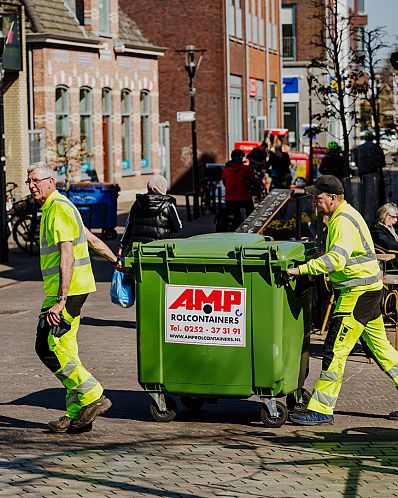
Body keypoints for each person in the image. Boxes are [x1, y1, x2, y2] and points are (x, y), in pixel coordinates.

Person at [287, 175, 398, 425]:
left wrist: (300, 270)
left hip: (356, 295)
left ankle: (321, 410)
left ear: (333, 198)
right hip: (369, 291)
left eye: (319, 197)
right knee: (383, 351)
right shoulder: (347, 214)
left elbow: (335, 260)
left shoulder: (342, 222)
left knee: (335, 350)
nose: (315, 202)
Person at [27, 162, 118, 433]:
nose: (32, 186)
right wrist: (115, 260)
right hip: (74, 290)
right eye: (28, 182)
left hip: (67, 292)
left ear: (50, 181)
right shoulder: (65, 206)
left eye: (36, 181)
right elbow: (89, 238)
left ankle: (93, 395)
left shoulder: (57, 209)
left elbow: (67, 253)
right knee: (66, 348)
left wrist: (61, 299)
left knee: (47, 346)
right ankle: (76, 413)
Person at [118, 174, 182, 256]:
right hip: (160, 252)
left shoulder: (137, 203)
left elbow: (128, 226)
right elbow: (177, 227)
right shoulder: (169, 205)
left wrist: (122, 246)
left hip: (137, 252)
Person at [222, 149, 256, 220]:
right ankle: (249, 224)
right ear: (241, 158)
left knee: (230, 212)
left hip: (229, 198)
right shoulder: (246, 169)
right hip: (244, 197)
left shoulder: (226, 169)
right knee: (251, 212)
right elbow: (253, 180)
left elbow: (224, 182)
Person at [355, 130, 386, 204]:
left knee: (363, 188)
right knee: (376, 189)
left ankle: (363, 201)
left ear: (365, 138)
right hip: (374, 171)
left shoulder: (359, 148)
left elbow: (356, 160)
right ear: (372, 138)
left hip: (362, 171)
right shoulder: (376, 147)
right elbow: (382, 160)